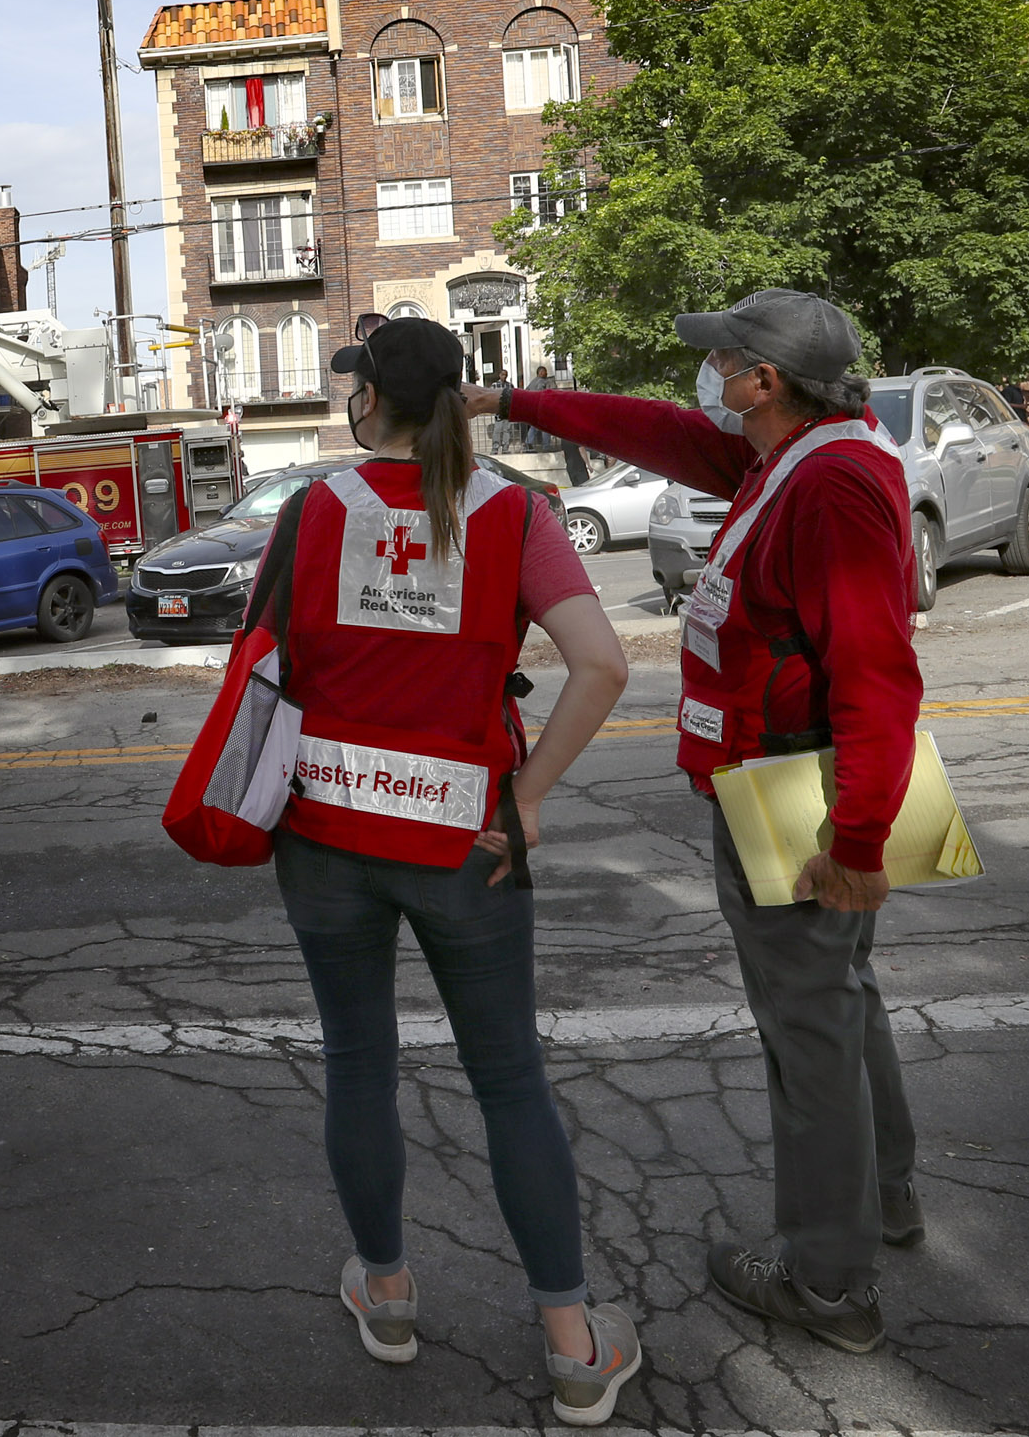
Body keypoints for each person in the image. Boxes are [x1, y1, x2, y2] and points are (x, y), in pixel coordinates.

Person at [466, 289, 923, 1355]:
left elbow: (876, 671)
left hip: (797, 796)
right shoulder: (790, 457)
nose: (709, 377)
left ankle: (827, 1281)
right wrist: (513, 397)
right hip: (792, 782)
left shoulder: (834, 482)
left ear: (766, 381)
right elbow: (657, 431)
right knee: (842, 1002)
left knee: (807, 1033)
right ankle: (883, 1199)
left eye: (723, 362)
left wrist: (854, 846)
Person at [261, 317, 639, 1425]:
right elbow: (603, 666)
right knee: (509, 1079)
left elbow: (264, 661)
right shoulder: (516, 512)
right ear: (459, 403)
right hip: (461, 838)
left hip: (326, 835)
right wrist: (522, 805)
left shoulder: (311, 510)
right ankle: (573, 1343)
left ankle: (385, 1297)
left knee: (358, 1062)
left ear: (367, 401)